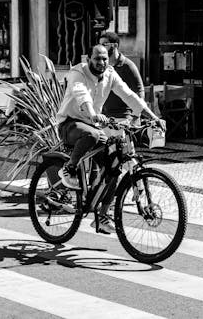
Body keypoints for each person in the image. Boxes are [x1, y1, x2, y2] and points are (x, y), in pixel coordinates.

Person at [56, 44, 165, 233]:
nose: (101, 62)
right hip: (70, 123)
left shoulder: (110, 74)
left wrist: (152, 117)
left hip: (93, 125)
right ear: (88, 59)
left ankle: (103, 215)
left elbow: (129, 95)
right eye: (97, 58)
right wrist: (93, 114)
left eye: (105, 58)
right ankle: (69, 169)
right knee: (92, 134)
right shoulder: (77, 73)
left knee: (114, 167)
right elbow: (82, 95)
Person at [99, 32, 145, 120]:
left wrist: (135, 116)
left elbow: (139, 91)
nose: (101, 48)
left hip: (124, 116)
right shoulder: (103, 65)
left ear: (115, 45)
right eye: (99, 45)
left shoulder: (128, 65)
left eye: (104, 45)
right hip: (104, 116)